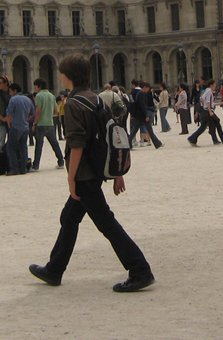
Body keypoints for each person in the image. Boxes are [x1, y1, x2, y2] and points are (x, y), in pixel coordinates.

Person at [29, 55, 153, 293]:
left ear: (70, 76)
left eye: (63, 73)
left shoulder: (75, 103)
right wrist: (117, 173)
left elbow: (77, 144)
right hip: (95, 171)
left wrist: (70, 178)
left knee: (106, 223)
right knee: (69, 218)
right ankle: (54, 269)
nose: (61, 76)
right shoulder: (96, 99)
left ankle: (140, 269)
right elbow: (113, 136)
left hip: (84, 175)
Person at [5, 84, 34, 175]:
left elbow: (9, 113)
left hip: (16, 126)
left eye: (10, 91)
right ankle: (23, 168)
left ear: (15, 90)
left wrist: (9, 123)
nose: (10, 93)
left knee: (10, 147)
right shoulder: (28, 99)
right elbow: (32, 113)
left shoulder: (13, 99)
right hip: (25, 127)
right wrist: (25, 119)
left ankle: (14, 169)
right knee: (23, 147)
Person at [32, 84, 62, 169]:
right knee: (54, 144)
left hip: (41, 124)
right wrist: (48, 114)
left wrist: (35, 123)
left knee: (39, 145)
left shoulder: (39, 96)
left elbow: (38, 111)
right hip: (50, 123)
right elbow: (56, 111)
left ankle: (36, 165)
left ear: (39, 86)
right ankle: (61, 161)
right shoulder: (52, 96)